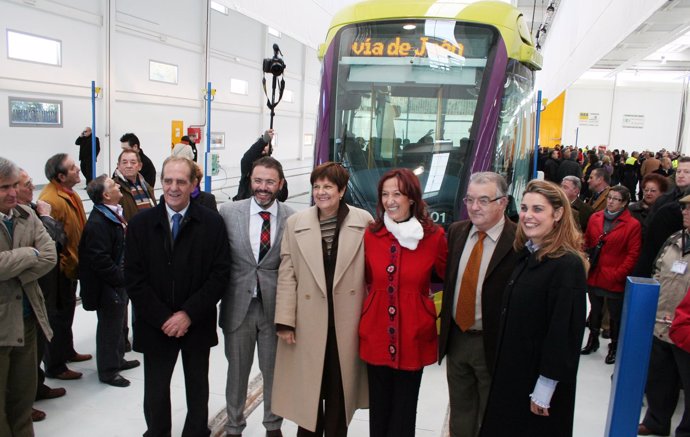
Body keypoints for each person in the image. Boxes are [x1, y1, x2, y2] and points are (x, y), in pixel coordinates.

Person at [124, 156, 231, 436]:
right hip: (155, 324)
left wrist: (187, 314)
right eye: (168, 180)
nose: (173, 187)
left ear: (193, 184)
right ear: (160, 182)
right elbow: (134, 280)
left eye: (181, 181)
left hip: (196, 323)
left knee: (198, 389)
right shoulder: (140, 225)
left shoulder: (211, 223)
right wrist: (164, 318)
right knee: (156, 391)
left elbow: (219, 275)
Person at [479, 180, 587, 437]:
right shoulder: (528, 255)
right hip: (512, 374)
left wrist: (545, 387)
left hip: (535, 384)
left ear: (558, 213)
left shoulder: (566, 265)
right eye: (525, 208)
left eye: (538, 209)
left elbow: (563, 332)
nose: (528, 216)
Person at [273, 162, 371, 437]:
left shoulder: (364, 221)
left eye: (328, 186)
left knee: (340, 391)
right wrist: (285, 320)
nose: (321, 192)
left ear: (341, 191)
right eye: (317, 186)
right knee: (309, 393)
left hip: (346, 322)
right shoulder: (296, 223)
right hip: (308, 321)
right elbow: (287, 273)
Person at [358, 168, 447, 437]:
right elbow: (363, 279)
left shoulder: (434, 237)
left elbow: (446, 279)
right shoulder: (372, 235)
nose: (390, 200)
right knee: (379, 409)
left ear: (412, 197)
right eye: (385, 194)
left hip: (414, 335)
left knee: (405, 412)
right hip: (376, 332)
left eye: (397, 193)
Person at [438, 172, 518, 437]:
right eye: (470, 199)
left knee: (492, 415)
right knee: (460, 413)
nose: (474, 207)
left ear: (503, 203)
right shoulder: (457, 231)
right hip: (458, 339)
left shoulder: (518, 241)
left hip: (493, 343)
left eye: (484, 200)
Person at [219, 157, 295, 437]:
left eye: (270, 182)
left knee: (274, 372)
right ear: (250, 180)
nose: (263, 187)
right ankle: (234, 426)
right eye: (258, 180)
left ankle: (273, 426)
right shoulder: (228, 212)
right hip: (238, 306)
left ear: (280, 184)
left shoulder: (292, 218)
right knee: (236, 372)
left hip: (274, 308)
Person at [0, 156, 57, 436]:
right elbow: (36, 256)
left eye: (14, 186)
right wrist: (27, 253)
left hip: (28, 320)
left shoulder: (27, 214)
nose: (12, 193)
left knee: (22, 402)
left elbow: (49, 257)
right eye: (3, 187)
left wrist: (10, 266)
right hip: (1, 326)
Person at [636, 193, 690, 437]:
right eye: (684, 207)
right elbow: (657, 269)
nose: (684, 212)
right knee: (660, 377)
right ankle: (657, 420)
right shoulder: (675, 239)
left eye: (689, 208)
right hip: (662, 320)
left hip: (686, 327)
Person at [79, 175, 140, 388]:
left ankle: (118, 359)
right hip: (108, 285)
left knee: (117, 325)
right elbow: (99, 259)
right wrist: (121, 278)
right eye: (114, 185)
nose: (118, 186)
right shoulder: (98, 222)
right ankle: (108, 371)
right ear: (106, 195)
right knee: (109, 328)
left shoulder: (112, 214)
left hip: (117, 282)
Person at [16, 169, 67, 421]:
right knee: (20, 356)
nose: (31, 189)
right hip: (21, 293)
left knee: (34, 346)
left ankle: (36, 388)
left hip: (40, 288)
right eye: (26, 185)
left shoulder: (34, 212)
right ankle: (22, 403)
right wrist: (28, 255)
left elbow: (54, 245)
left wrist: (45, 218)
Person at [38, 153, 91, 380]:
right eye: (72, 168)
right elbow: (52, 239)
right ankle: (55, 366)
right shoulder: (51, 200)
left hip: (73, 265)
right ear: (60, 176)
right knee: (57, 317)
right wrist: (63, 265)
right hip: (60, 270)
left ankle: (67, 351)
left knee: (67, 313)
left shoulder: (71, 194)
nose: (78, 169)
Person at [581, 186, 641, 364]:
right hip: (596, 272)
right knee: (595, 309)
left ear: (624, 203)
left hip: (615, 276)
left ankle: (614, 345)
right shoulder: (595, 218)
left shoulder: (632, 225)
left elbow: (633, 253)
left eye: (616, 199)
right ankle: (593, 340)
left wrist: (619, 274)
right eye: (610, 197)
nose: (611, 201)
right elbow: (587, 241)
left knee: (615, 315)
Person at [634, 157, 690, 278]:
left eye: (686, 172)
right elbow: (648, 227)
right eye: (679, 171)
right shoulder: (664, 199)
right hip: (656, 257)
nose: (681, 175)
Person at [233, 129, 288, 202]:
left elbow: (283, 193)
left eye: (266, 145)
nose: (263, 187)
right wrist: (264, 141)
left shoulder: (275, 166)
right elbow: (247, 157)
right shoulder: (248, 164)